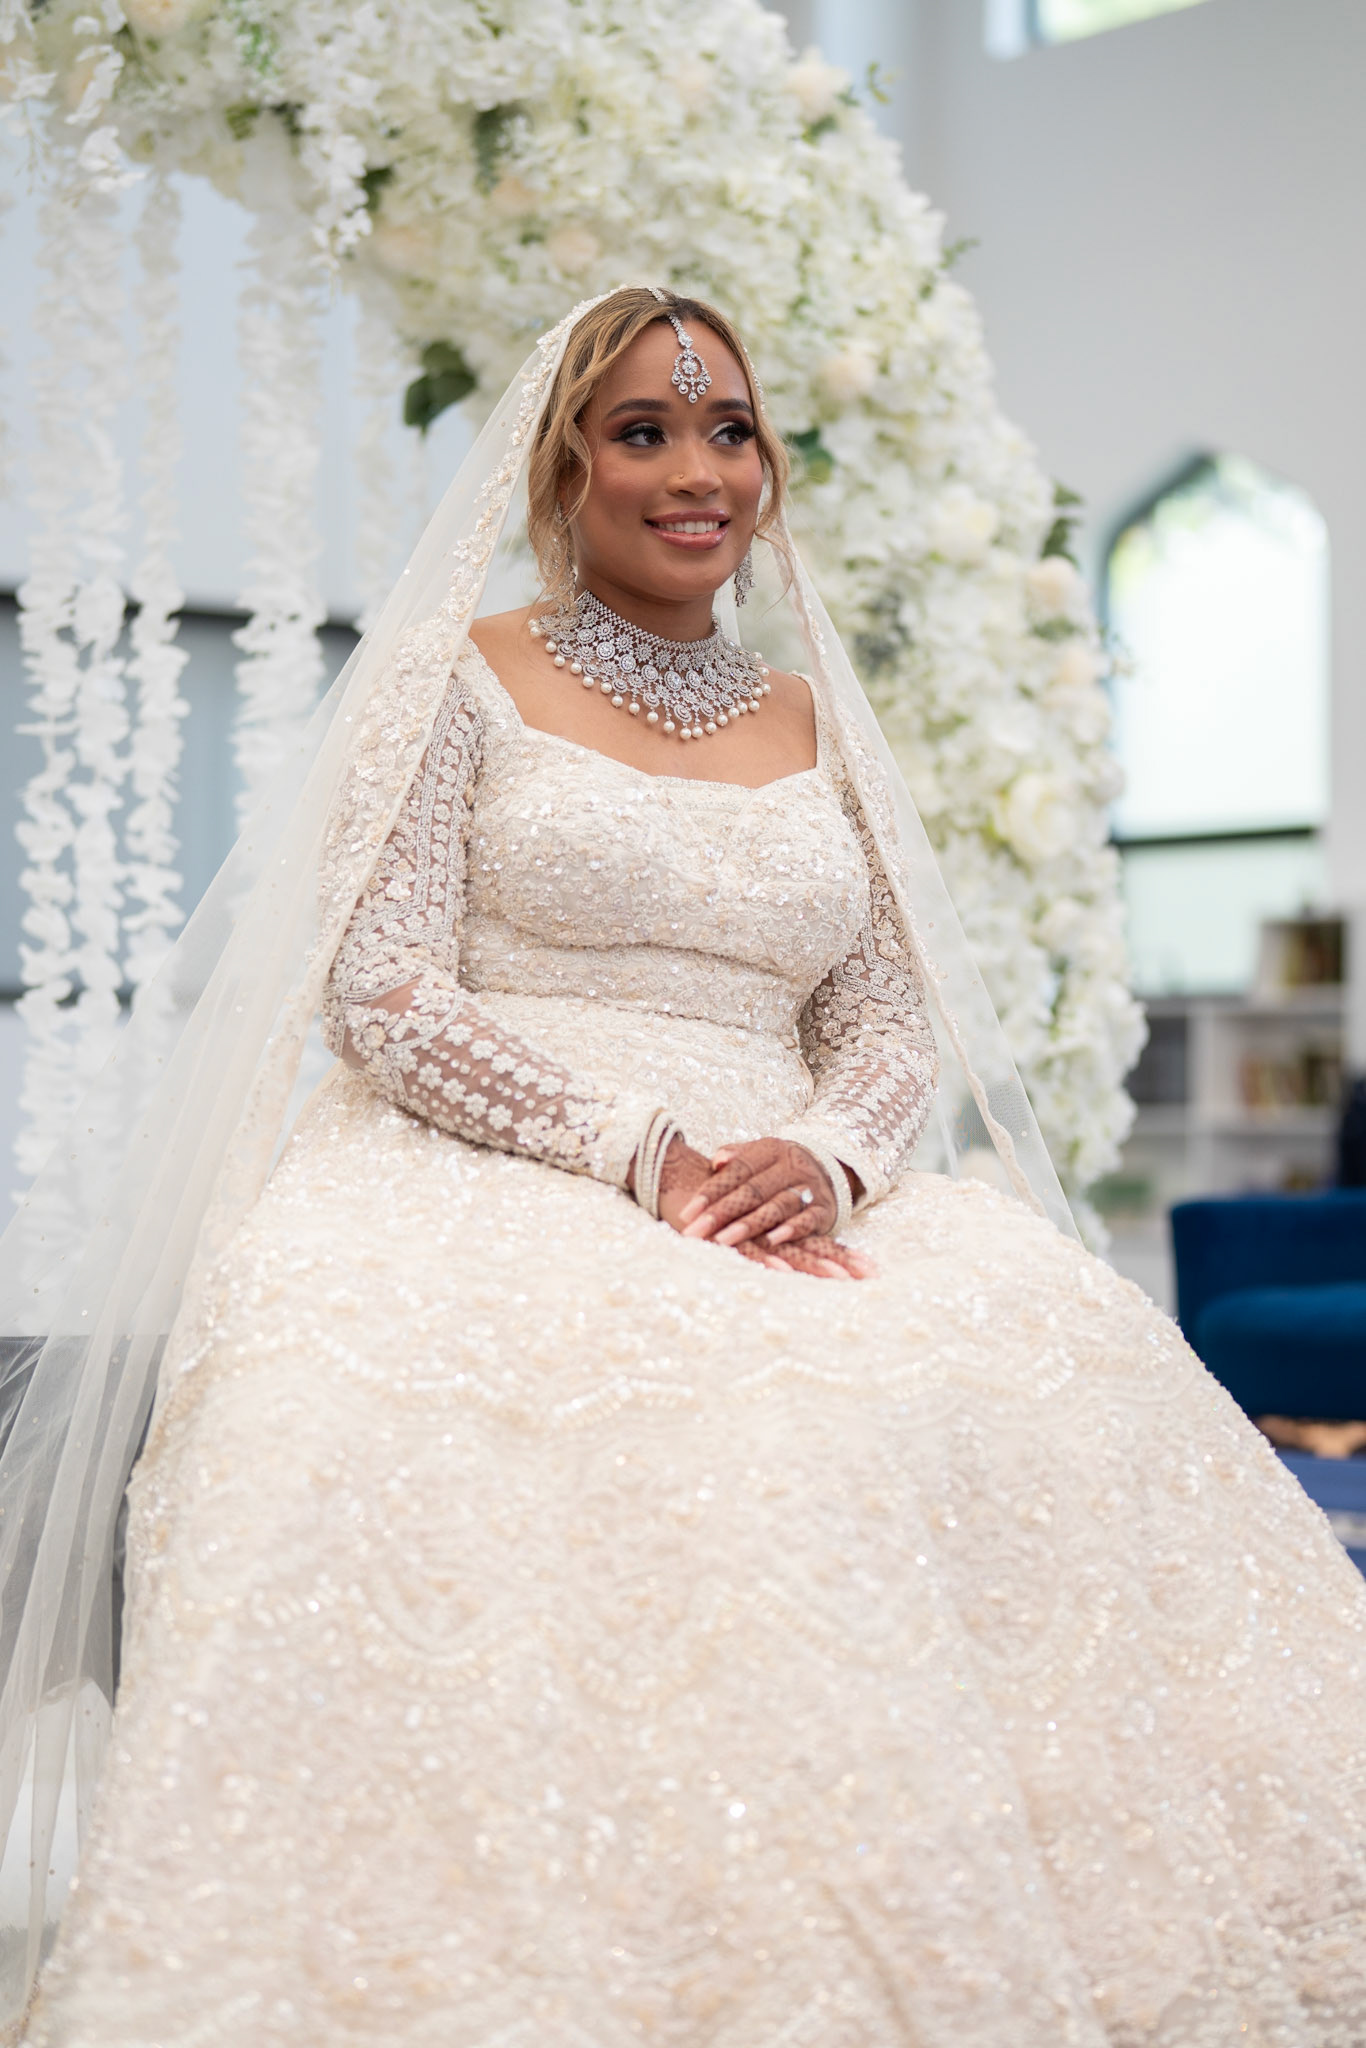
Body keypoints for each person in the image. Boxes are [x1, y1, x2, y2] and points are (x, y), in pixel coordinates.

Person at [13, 287, 1366, 2044]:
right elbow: (382, 986)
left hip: (791, 1176)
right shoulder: (455, 679)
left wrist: (830, 1157)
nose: (695, 470)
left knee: (1056, 1366)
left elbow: (884, 1021)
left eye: (726, 430)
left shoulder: (814, 722)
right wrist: (634, 1150)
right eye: (641, 432)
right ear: (560, 468)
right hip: (497, 1152)